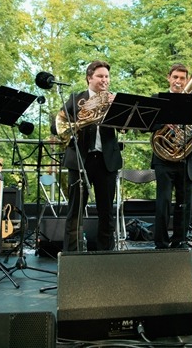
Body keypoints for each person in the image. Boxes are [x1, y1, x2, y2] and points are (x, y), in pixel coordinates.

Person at [56, 60, 122, 252]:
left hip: (106, 161)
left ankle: (105, 256)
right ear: (89, 78)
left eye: (107, 76)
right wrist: (78, 121)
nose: (105, 80)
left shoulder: (113, 99)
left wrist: (116, 108)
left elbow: (125, 127)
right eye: (100, 76)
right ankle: (71, 256)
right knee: (75, 211)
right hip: (80, 161)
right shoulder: (76, 99)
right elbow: (57, 126)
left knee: (106, 212)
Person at [150, 63, 192, 249]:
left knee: (185, 204)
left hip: (186, 158)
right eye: (175, 77)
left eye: (182, 78)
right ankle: (160, 242)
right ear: (169, 77)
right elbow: (148, 126)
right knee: (164, 202)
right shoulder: (157, 99)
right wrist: (165, 124)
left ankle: (180, 242)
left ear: (186, 80)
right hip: (163, 159)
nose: (178, 81)